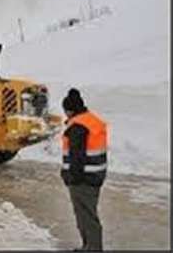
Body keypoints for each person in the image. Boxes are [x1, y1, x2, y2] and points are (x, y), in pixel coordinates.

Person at [61, 88, 108, 251]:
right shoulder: (91, 120)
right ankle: (89, 246)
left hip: (83, 179)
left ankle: (93, 248)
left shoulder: (78, 127)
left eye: (66, 111)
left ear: (70, 110)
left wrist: (70, 177)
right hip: (95, 175)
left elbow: (77, 158)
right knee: (87, 213)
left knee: (86, 215)